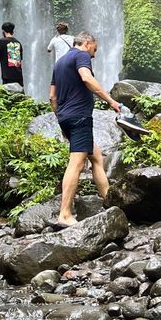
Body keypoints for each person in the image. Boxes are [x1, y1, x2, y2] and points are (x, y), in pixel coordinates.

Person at [49, 30, 122, 228]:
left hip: (66, 117)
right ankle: (65, 214)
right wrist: (111, 101)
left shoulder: (60, 62)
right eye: (94, 50)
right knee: (77, 163)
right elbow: (87, 78)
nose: (94, 55)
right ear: (87, 43)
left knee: (96, 157)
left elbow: (52, 96)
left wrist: (62, 121)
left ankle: (109, 203)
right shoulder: (81, 56)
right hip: (80, 116)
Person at [0, 21, 24, 88]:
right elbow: (20, 59)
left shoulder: (1, 41)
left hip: (7, 76)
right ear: (13, 32)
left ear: (3, 31)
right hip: (18, 76)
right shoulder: (18, 43)